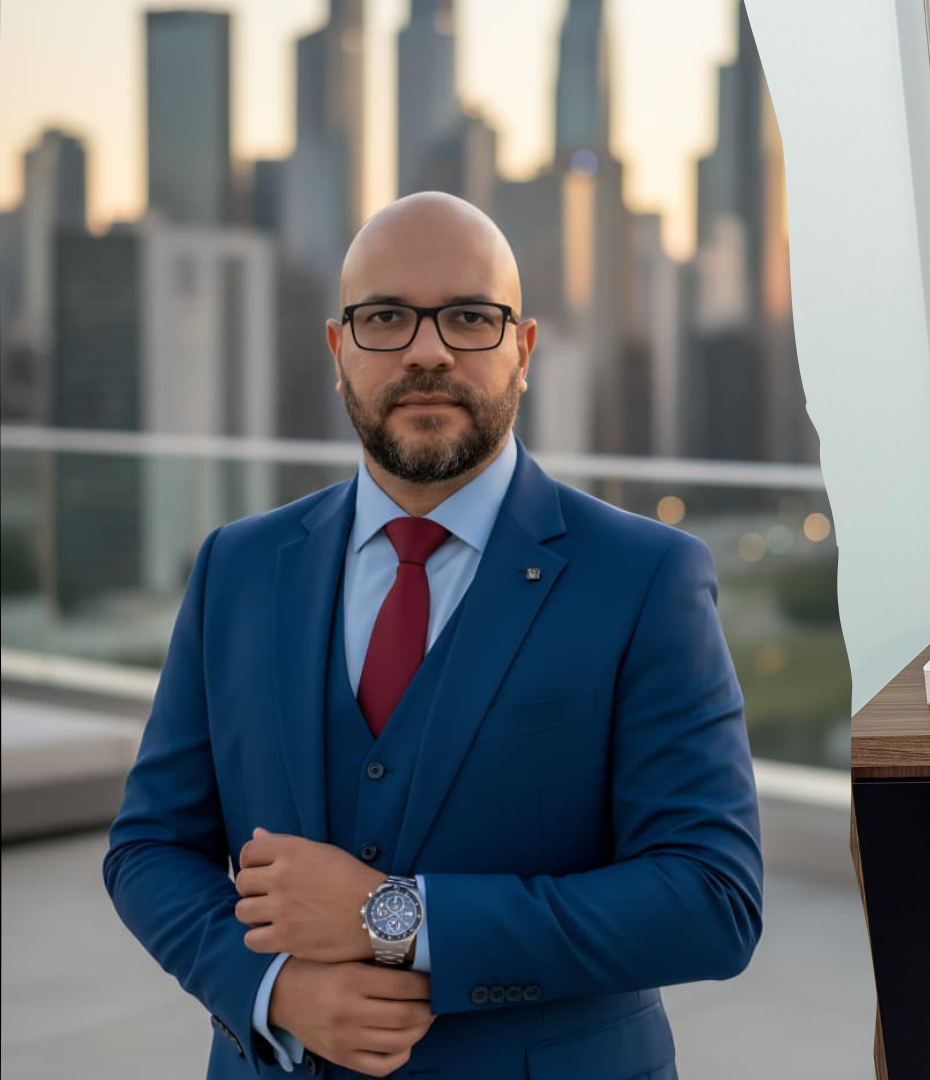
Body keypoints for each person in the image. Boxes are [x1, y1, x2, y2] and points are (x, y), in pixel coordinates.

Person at [102, 193, 762, 1079]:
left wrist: (399, 918)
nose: (427, 350)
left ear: (522, 351)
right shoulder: (238, 567)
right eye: (385, 318)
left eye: (467, 317)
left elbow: (711, 900)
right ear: (339, 353)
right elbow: (149, 847)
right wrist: (274, 989)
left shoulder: (646, 578)